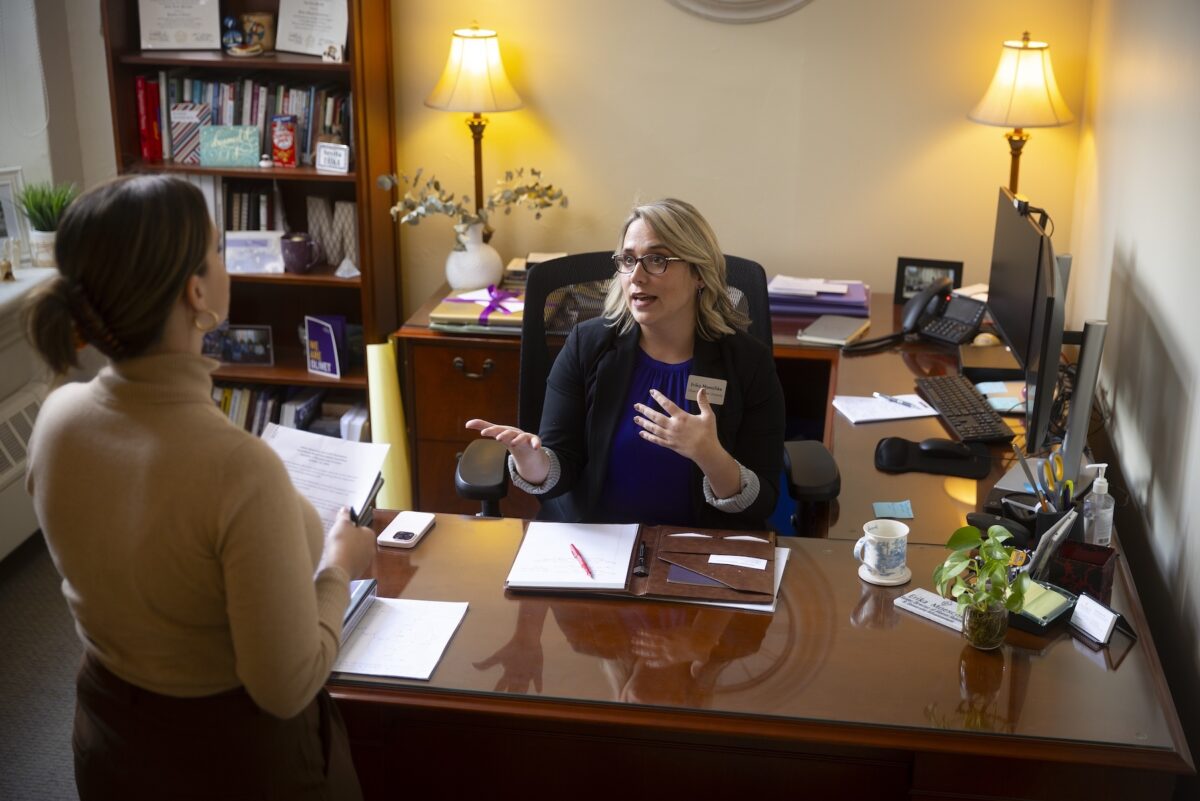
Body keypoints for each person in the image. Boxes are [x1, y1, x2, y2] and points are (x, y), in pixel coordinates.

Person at [24, 175, 374, 800]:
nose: (226, 262)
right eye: (218, 249)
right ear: (196, 293)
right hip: (229, 761)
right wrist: (339, 569)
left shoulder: (56, 419)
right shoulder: (239, 468)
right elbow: (286, 686)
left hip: (110, 736)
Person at [467, 198, 784, 530]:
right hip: (598, 544)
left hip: (700, 548)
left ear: (699, 274)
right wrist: (535, 464)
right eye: (628, 260)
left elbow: (762, 503)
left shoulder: (748, 362)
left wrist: (711, 456)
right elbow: (563, 466)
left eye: (657, 260)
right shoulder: (585, 346)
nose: (637, 276)